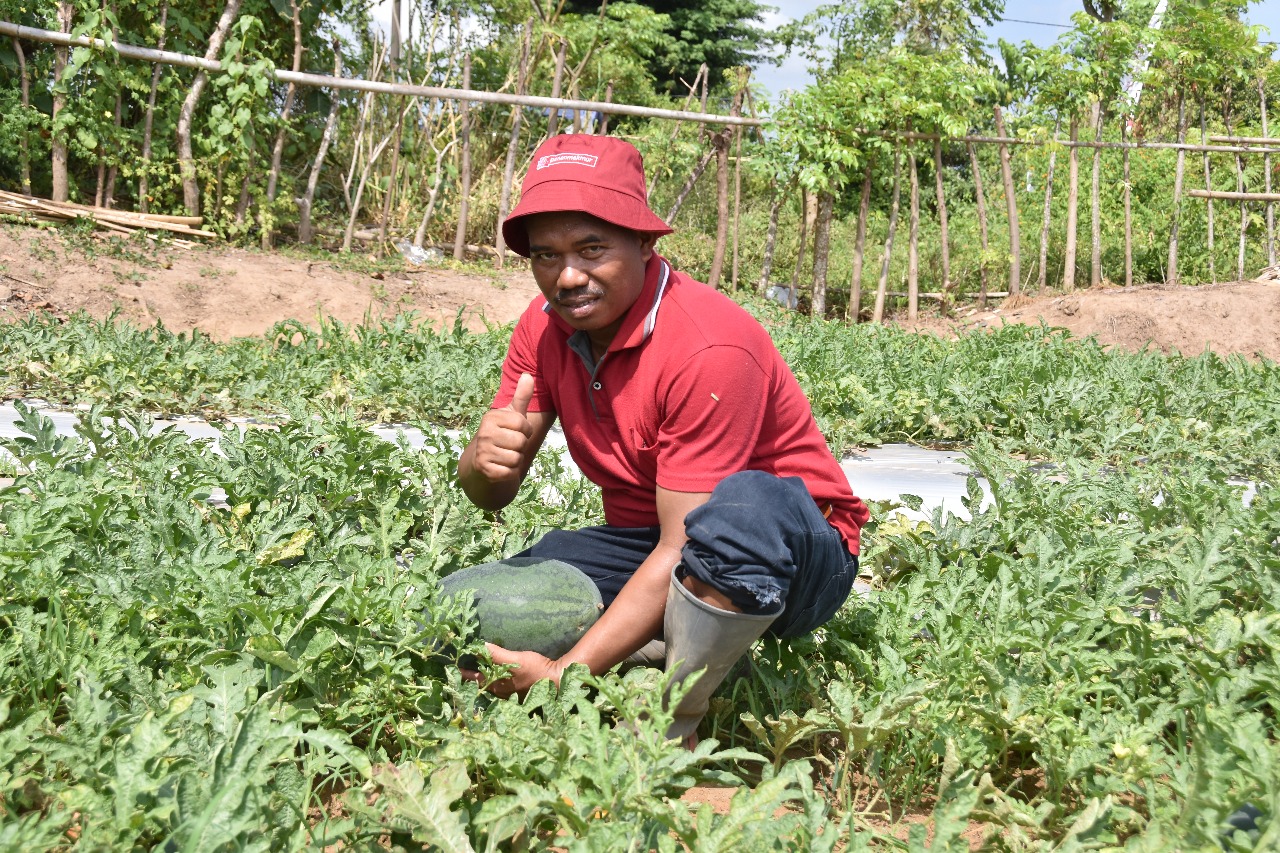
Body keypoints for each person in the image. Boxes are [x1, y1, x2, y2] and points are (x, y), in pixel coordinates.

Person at [457, 133, 869, 744]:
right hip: (654, 540)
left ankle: (671, 720)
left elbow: (687, 543)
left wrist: (564, 676)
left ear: (645, 243)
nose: (567, 276)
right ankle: (657, 639)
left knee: (742, 513)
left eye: (592, 248)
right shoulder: (542, 331)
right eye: (545, 256)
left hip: (792, 556)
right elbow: (491, 496)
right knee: (469, 607)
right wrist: (480, 463)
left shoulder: (709, 346)